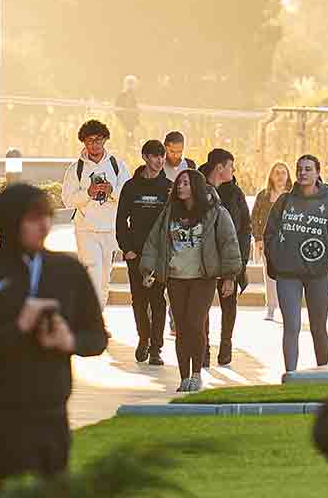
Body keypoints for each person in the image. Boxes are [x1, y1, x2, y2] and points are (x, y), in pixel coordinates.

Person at [0, 183, 108, 488]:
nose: (45, 225)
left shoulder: (68, 270)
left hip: (51, 411)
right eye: (34, 218)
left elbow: (97, 337)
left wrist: (70, 342)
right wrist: (17, 328)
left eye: (48, 216)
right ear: (10, 222)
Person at [139, 168, 242, 392]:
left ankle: (197, 374)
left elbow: (229, 243)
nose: (180, 187)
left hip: (202, 277)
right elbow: (154, 242)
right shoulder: (170, 212)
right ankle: (184, 376)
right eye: (179, 183)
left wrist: (229, 276)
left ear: (195, 186)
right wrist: (148, 270)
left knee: (195, 324)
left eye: (185, 183)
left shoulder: (215, 212)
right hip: (176, 277)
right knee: (181, 328)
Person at [263, 153, 328, 374]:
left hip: (318, 273)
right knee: (292, 326)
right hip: (288, 273)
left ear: (318, 172)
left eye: (308, 169)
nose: (303, 173)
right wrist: (275, 259)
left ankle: (322, 373)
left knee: (319, 328)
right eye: (299, 168)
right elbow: (269, 232)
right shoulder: (284, 200)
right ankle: (290, 375)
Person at [116, 138, 174, 366]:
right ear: (145, 157)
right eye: (154, 156)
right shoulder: (131, 187)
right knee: (139, 300)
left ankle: (156, 348)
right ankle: (144, 339)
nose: (159, 161)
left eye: (162, 156)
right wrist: (127, 248)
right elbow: (121, 220)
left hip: (160, 254)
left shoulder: (168, 187)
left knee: (158, 301)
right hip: (136, 254)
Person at [60, 118, 128, 308]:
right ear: (83, 142)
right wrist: (88, 193)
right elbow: (67, 200)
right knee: (93, 274)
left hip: (110, 229)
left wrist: (111, 191)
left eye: (98, 140)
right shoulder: (76, 169)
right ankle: (93, 322)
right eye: (90, 141)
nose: (94, 145)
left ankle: (98, 319)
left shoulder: (117, 166)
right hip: (86, 230)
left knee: (104, 279)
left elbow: (127, 196)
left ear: (105, 140)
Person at [201, 148, 254, 364]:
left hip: (229, 259)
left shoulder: (236, 193)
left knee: (228, 304)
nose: (234, 170)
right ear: (220, 167)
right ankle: (203, 349)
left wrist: (237, 265)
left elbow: (245, 229)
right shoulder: (199, 188)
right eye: (231, 166)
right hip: (203, 259)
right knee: (201, 306)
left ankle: (226, 344)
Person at [252, 161, 292, 322]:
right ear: (271, 176)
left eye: (283, 172)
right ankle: (270, 308)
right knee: (270, 277)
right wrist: (258, 238)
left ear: (288, 175)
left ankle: (287, 309)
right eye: (277, 172)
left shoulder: (294, 194)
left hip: (289, 242)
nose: (280, 175)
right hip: (268, 242)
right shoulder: (263, 195)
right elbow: (254, 218)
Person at [114, 74, 141, 140]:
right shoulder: (122, 96)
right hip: (123, 122)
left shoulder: (134, 96)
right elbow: (117, 111)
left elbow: (136, 110)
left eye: (132, 83)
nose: (131, 86)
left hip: (131, 123)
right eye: (130, 83)